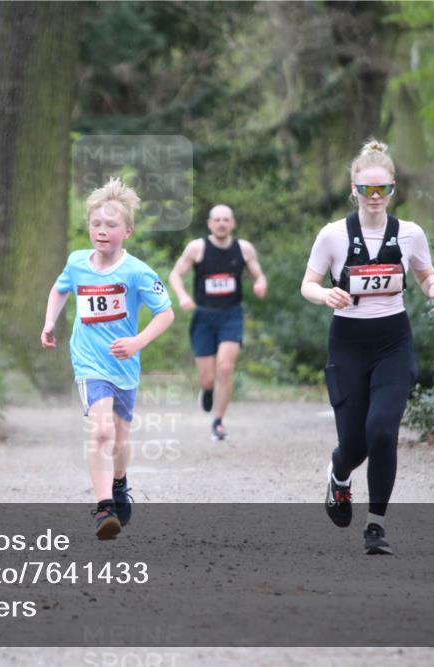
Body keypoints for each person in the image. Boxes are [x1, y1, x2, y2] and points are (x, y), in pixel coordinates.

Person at [300, 139, 434, 555]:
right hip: (347, 344)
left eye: (381, 189)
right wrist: (325, 296)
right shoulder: (332, 235)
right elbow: (308, 284)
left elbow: (424, 273)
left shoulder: (410, 234)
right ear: (353, 190)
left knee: (382, 432)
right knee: (354, 445)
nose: (373, 197)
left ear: (392, 190)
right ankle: (339, 475)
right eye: (366, 190)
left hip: (393, 343)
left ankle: (376, 526)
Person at [41, 177, 175, 540]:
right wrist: (50, 322)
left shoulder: (137, 271)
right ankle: (104, 508)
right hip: (88, 361)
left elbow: (166, 314)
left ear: (127, 231)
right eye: (96, 224)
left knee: (119, 438)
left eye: (111, 225)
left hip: (123, 365)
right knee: (99, 431)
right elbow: (59, 288)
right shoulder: (76, 263)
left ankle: (119, 483)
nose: (102, 231)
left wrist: (137, 341)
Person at [168, 204, 267, 440]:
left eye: (226, 220)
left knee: (225, 367)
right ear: (210, 224)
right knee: (207, 377)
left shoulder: (243, 249)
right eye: (217, 220)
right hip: (203, 316)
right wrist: (182, 297)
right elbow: (175, 274)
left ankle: (218, 420)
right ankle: (207, 390)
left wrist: (260, 283)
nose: (222, 224)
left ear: (233, 223)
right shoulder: (197, 248)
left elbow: (258, 274)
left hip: (231, 315)